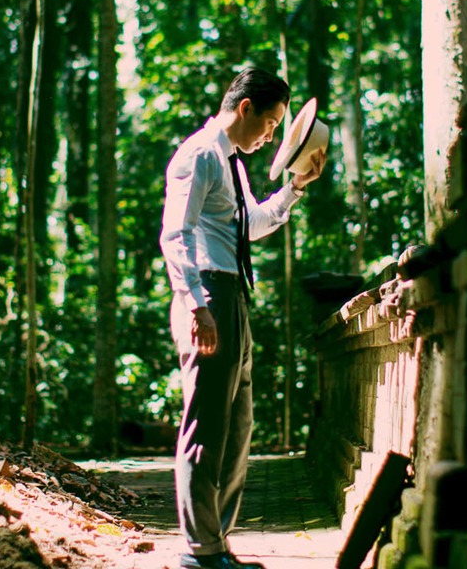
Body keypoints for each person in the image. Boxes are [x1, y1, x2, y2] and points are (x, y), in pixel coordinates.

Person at [159, 68, 326, 569]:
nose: (273, 135)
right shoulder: (200, 154)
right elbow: (176, 235)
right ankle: (199, 550)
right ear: (246, 107)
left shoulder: (232, 163)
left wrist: (294, 189)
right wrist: (196, 307)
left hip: (232, 295)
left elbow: (248, 227)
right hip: (207, 293)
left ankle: (217, 544)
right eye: (271, 123)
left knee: (237, 426)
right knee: (206, 424)